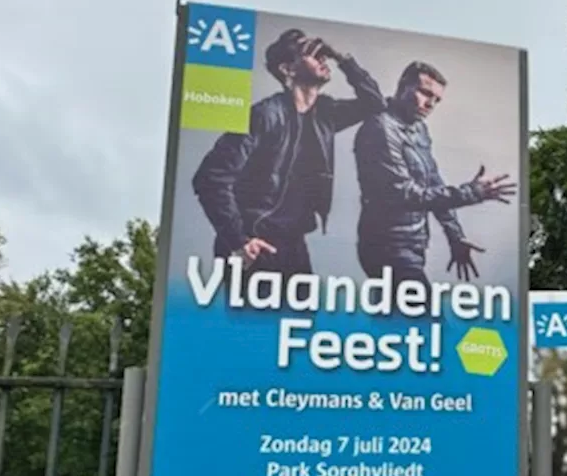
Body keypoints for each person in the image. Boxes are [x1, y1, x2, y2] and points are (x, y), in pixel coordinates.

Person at [192, 29, 384, 279]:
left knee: (303, 318)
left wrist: (342, 58)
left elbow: (375, 104)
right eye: (311, 54)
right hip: (253, 241)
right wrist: (239, 241)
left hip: (293, 244)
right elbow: (210, 177)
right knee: (253, 319)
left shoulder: (325, 113)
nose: (322, 58)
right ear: (287, 69)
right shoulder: (264, 115)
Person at [354, 61, 516, 286]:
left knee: (397, 319)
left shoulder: (418, 128)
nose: (430, 103)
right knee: (423, 318)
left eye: (437, 100)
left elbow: (432, 182)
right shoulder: (381, 128)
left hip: (412, 246)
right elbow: (403, 194)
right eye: (425, 93)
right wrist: (472, 192)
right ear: (403, 87)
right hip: (386, 246)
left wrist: (455, 236)